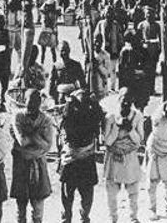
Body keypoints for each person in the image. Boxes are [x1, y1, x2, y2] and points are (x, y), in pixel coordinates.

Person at [59, 89, 103, 223]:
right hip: (80, 158)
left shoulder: (74, 115)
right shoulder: (86, 115)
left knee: (75, 193)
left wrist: (70, 102)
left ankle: (74, 217)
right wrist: (94, 103)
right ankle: (75, 217)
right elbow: (100, 115)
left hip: (76, 158)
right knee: (80, 193)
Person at [12, 90, 55, 223]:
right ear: (25, 101)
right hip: (21, 165)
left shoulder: (46, 119)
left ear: (40, 103)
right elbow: (22, 141)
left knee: (37, 209)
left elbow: (48, 146)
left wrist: (31, 135)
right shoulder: (18, 117)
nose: (32, 106)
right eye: (30, 102)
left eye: (35, 103)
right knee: (21, 209)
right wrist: (38, 137)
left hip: (38, 165)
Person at [104, 89, 144, 223]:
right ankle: (113, 218)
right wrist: (116, 127)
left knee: (133, 189)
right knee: (112, 191)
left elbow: (139, 140)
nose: (125, 103)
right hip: (114, 157)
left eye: (128, 100)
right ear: (118, 99)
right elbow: (108, 141)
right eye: (123, 100)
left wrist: (130, 129)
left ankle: (133, 217)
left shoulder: (137, 116)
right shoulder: (110, 117)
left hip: (129, 156)